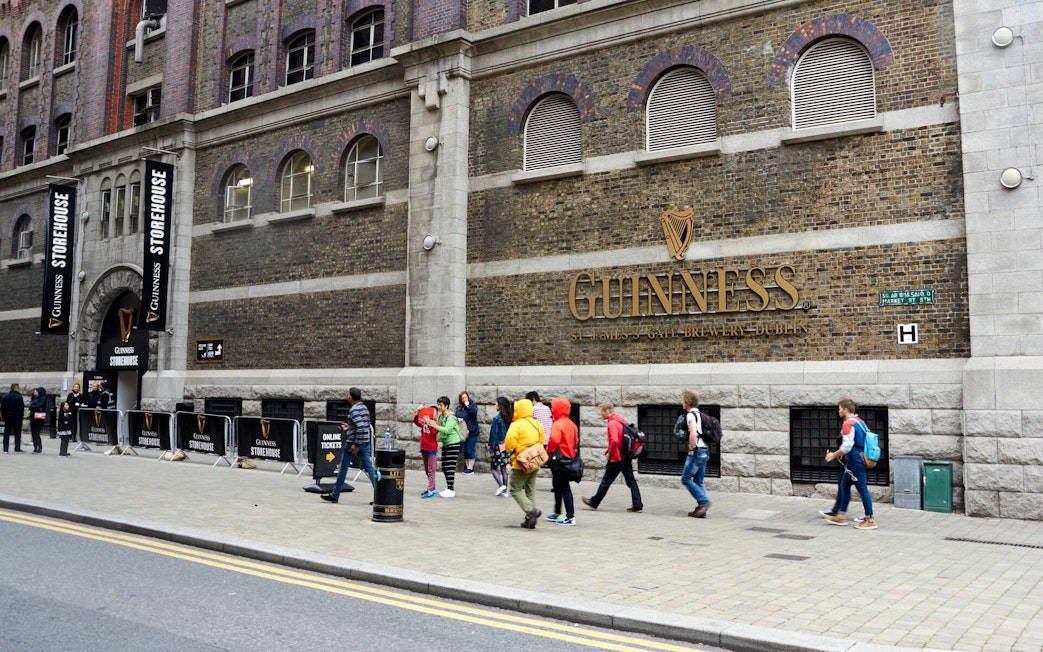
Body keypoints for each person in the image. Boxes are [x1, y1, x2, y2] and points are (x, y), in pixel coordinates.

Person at [823, 398, 877, 530]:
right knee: (844, 485)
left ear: (845, 409)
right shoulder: (860, 422)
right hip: (858, 459)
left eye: (840, 409)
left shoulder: (848, 424)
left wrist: (833, 455)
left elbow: (847, 446)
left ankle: (870, 519)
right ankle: (840, 516)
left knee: (862, 489)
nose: (839, 411)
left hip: (855, 460)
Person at [582, 401, 643, 513]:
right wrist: (608, 448)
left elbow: (615, 440)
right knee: (631, 481)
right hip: (625, 456)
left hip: (617, 458)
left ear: (607, 411)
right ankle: (637, 504)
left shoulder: (612, 423)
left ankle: (594, 502)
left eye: (601, 412)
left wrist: (611, 452)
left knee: (606, 480)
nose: (600, 414)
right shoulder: (621, 420)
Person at [322, 387, 378, 504]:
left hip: (354, 443)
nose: (346, 396)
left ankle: (335, 495)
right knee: (370, 469)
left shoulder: (354, 410)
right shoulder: (364, 408)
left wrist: (356, 444)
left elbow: (361, 427)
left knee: (343, 468)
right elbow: (362, 425)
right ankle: (381, 496)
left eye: (348, 394)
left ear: (351, 397)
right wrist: (349, 427)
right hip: (365, 442)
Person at [504, 398, 545, 528]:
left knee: (515, 489)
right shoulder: (537, 424)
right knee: (530, 490)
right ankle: (529, 520)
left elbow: (509, 444)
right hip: (535, 462)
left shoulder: (516, 424)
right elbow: (542, 440)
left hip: (520, 462)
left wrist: (512, 450)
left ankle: (531, 511)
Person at [546, 397, 578, 526]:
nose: (552, 410)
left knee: (563, 487)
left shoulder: (558, 424)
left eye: (553, 408)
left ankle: (570, 516)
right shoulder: (572, 424)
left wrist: (548, 451)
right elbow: (576, 441)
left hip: (560, 459)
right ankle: (558, 512)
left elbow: (553, 440)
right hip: (569, 458)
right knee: (559, 485)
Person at [680, 389, 711, 518]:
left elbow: (693, 432)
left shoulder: (691, 415)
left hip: (697, 451)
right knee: (698, 481)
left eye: (682, 400)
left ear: (687, 402)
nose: (681, 403)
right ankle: (701, 509)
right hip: (705, 451)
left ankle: (704, 502)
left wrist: (691, 449)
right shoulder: (700, 414)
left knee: (685, 478)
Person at [425, 396, 461, 498]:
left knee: (450, 467)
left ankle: (451, 489)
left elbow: (446, 430)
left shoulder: (451, 417)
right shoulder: (441, 417)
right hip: (446, 444)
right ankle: (449, 487)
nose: (439, 407)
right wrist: (430, 424)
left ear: (446, 406)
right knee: (444, 466)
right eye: (438, 404)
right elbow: (438, 429)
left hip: (453, 443)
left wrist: (435, 426)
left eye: (440, 405)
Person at [487, 396, 512, 496]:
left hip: (498, 446)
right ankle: (505, 491)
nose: (495, 405)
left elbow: (493, 435)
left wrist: (491, 448)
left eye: (496, 403)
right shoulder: (509, 417)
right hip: (506, 446)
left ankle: (501, 485)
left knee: (493, 468)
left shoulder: (497, 419)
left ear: (500, 406)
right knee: (503, 468)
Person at [413, 405, 439, 499]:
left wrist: (430, 424)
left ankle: (430, 489)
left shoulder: (436, 424)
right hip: (424, 448)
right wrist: (417, 412)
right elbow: (416, 422)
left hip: (432, 449)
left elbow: (434, 433)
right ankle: (432, 488)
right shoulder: (423, 423)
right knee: (427, 470)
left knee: (431, 470)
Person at [455, 391, 480, 475]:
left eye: (465, 397)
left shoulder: (472, 405)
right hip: (463, 432)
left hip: (472, 431)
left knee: (470, 449)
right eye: (463, 398)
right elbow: (457, 415)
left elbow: (473, 414)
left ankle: (470, 468)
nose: (464, 399)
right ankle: (467, 467)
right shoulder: (459, 408)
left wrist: (468, 406)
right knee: (464, 450)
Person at [1, 383, 26, 453]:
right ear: (16, 388)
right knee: (17, 433)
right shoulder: (19, 397)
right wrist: (21, 416)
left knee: (7, 433)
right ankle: (17, 447)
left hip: (8, 417)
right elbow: (21, 408)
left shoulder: (5, 397)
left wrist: (4, 416)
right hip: (17, 417)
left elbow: (2, 408)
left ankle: (5, 449)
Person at [28, 387, 48, 454]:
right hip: (33, 417)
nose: (35, 393)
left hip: (39, 418)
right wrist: (34, 407)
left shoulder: (43, 398)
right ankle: (35, 446)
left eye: (36, 392)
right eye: (34, 392)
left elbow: (40, 406)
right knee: (33, 433)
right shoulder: (34, 398)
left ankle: (39, 447)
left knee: (36, 433)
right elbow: (30, 407)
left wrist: (34, 407)